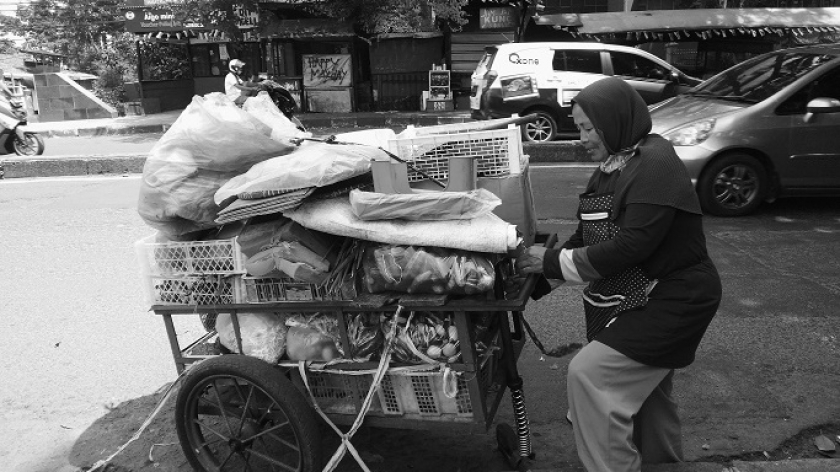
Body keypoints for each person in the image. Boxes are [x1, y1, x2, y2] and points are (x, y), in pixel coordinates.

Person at [514, 77, 721, 472]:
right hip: (639, 296)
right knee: (648, 395)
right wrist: (532, 278)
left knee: (591, 375)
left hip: (676, 297)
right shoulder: (612, 166)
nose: (582, 138)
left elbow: (632, 246)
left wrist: (549, 262)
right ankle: (664, 465)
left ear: (615, 121)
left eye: (589, 128)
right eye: (578, 127)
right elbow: (587, 236)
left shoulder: (655, 163)